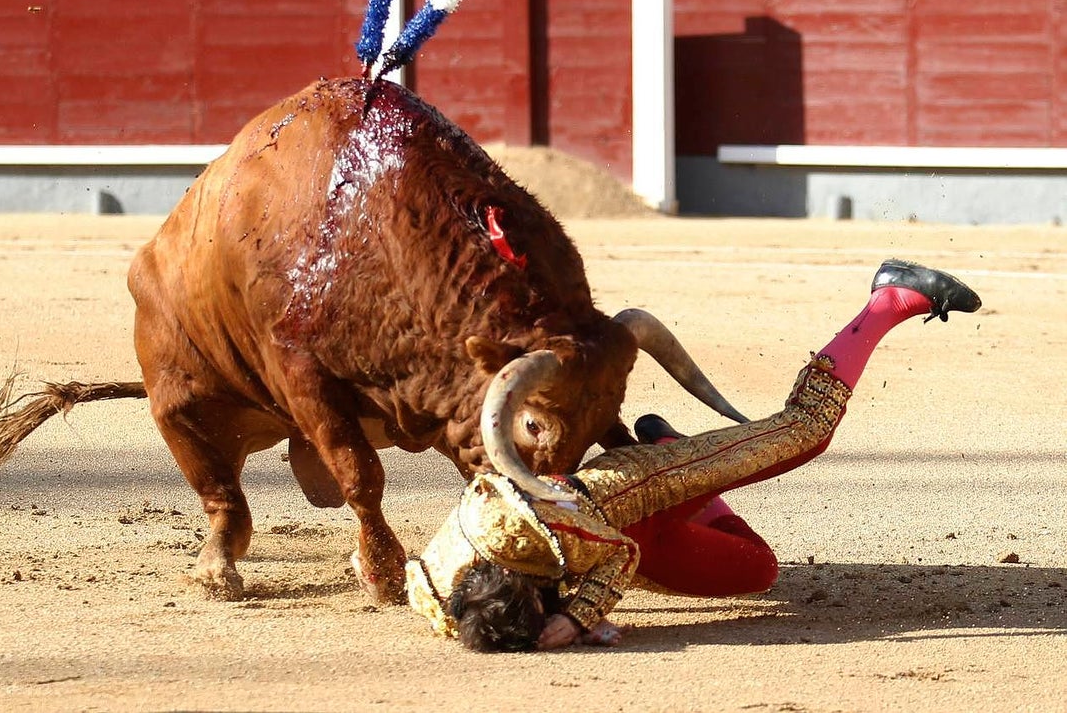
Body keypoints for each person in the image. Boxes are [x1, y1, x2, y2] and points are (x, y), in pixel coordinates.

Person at [405, 259, 982, 651]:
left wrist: (576, 617)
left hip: (651, 483)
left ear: (528, 586)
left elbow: (619, 556)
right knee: (758, 569)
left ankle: (891, 296)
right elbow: (433, 592)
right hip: (630, 526)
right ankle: (671, 438)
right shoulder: (438, 585)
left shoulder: (553, 540)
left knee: (806, 429)